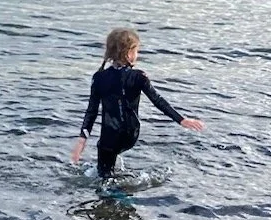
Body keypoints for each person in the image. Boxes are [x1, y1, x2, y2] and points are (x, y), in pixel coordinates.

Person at [71, 27, 203, 178]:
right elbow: (157, 100)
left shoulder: (99, 78)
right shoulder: (139, 76)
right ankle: (120, 189)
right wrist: (182, 120)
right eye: (137, 51)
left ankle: (111, 195)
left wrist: (82, 139)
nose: (137, 55)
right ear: (129, 54)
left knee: (104, 176)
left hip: (109, 138)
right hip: (130, 135)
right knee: (113, 163)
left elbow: (92, 111)